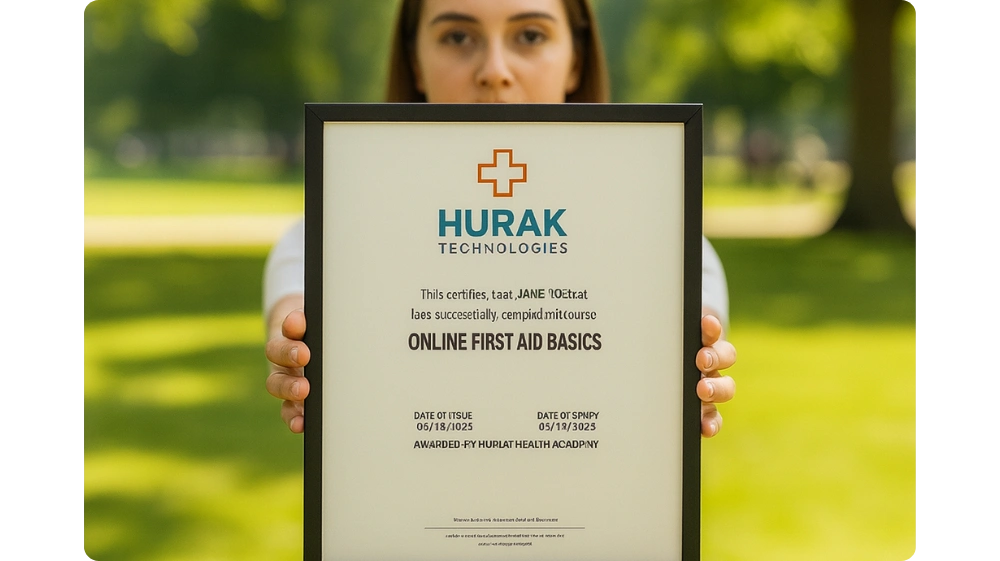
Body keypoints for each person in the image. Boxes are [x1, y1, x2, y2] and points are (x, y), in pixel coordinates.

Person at [264, 0, 736, 438]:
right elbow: (295, 303)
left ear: (576, 60)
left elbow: (697, 324)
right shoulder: (328, 236)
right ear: (414, 61)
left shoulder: (667, 244)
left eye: (530, 36)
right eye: (457, 37)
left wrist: (694, 366)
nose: (494, 72)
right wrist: (297, 353)